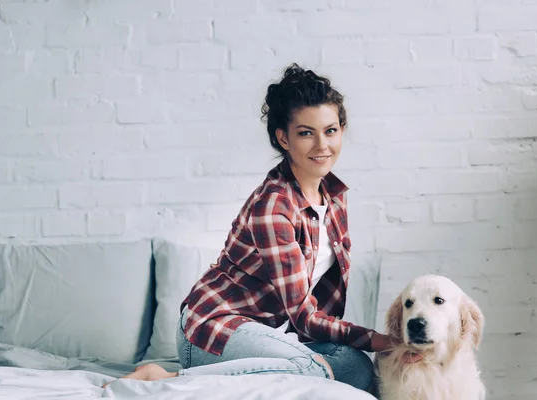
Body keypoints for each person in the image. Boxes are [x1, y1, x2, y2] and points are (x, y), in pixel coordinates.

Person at [103, 63, 421, 392]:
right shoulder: (274, 207)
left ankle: (301, 368)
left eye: (330, 130)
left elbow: (321, 308)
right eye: (305, 133)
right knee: (312, 367)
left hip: (263, 337)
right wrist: (381, 340)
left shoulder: (335, 197)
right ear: (283, 138)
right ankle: (166, 378)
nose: (321, 145)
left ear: (342, 129)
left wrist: (350, 350)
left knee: (357, 369)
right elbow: (303, 315)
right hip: (212, 332)